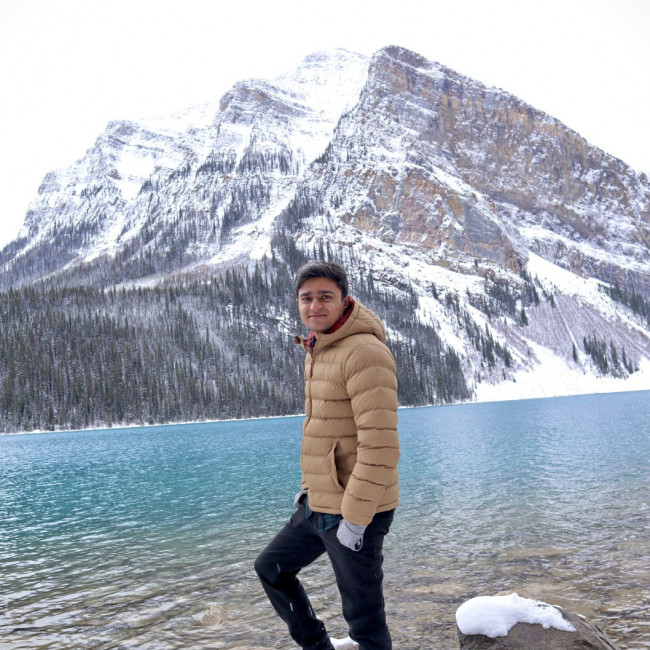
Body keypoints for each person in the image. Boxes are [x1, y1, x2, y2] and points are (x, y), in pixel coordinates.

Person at [254, 260, 400, 650]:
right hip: (320, 502)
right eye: (306, 298)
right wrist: (310, 487)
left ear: (344, 300)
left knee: (365, 621)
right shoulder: (319, 349)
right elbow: (323, 429)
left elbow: (381, 446)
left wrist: (355, 520)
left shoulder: (365, 352)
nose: (314, 305)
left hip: (357, 510)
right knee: (271, 568)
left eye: (325, 296)